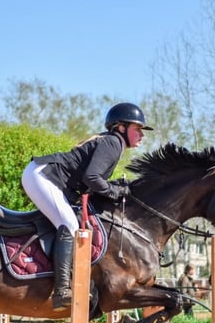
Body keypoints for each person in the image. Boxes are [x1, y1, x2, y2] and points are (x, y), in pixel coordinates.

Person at [22, 102, 152, 310]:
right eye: (137, 129)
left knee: (69, 221)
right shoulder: (113, 143)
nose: (142, 135)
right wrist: (115, 191)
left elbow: (92, 180)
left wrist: (113, 187)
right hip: (43, 176)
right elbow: (92, 177)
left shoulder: (111, 141)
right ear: (121, 127)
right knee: (70, 225)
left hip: (44, 175)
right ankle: (62, 289)